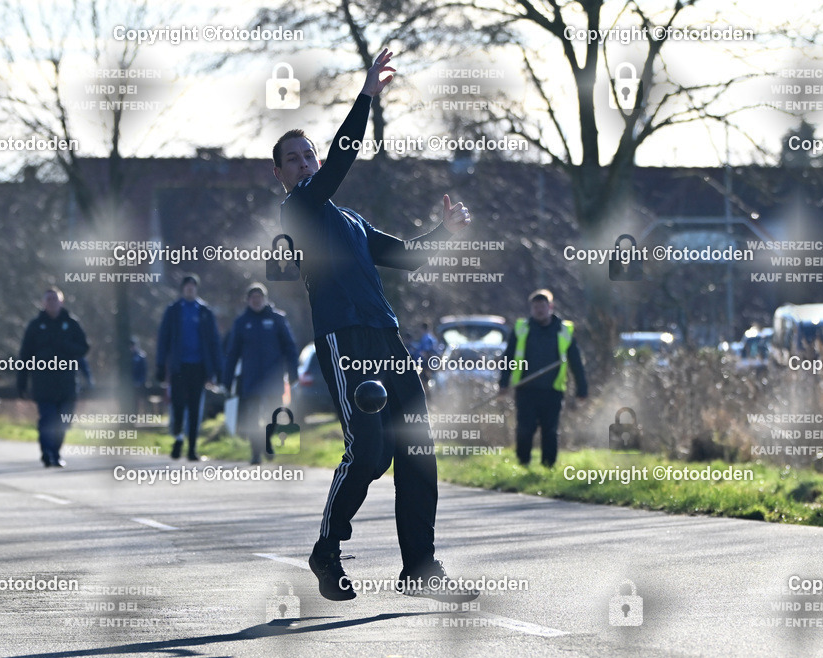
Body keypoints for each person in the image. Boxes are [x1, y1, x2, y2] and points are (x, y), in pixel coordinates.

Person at [273, 48, 476, 603]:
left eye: (307, 155)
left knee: (416, 449)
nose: (305, 163)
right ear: (281, 174)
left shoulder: (352, 221)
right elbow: (342, 161)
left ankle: (420, 568)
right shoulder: (300, 211)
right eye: (293, 159)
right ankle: (327, 550)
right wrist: (365, 97)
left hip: (386, 337)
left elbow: (407, 256)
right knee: (368, 456)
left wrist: (445, 232)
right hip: (344, 340)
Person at [498, 289, 588, 467]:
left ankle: (548, 465)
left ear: (551, 307)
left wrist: (582, 388)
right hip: (525, 389)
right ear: (531, 308)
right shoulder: (522, 329)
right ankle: (523, 462)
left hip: (552, 389)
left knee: (550, 430)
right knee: (525, 429)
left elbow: (575, 362)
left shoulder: (563, 330)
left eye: (542, 306)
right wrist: (503, 383)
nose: (539, 310)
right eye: (535, 307)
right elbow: (508, 357)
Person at [223, 283, 299, 465]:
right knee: (253, 416)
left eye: (259, 297)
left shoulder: (278, 319)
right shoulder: (241, 323)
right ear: (248, 300)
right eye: (253, 298)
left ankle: (266, 441)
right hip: (251, 378)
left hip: (273, 377)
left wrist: (293, 371)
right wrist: (226, 379)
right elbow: (232, 352)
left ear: (265, 299)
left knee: (274, 413)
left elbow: (290, 347)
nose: (256, 301)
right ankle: (256, 453)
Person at [16, 288, 90, 468]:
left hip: (67, 382)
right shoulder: (35, 326)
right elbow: (25, 355)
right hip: (43, 383)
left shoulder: (71, 324)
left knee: (64, 420)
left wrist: (66, 346)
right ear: (43, 303)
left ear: (61, 302)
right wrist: (22, 382)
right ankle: (47, 452)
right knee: (48, 419)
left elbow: (84, 348)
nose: (52, 303)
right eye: (49, 300)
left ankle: (56, 452)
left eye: (55, 300)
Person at [156, 275, 222, 461]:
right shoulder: (173, 311)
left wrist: (217, 369)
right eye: (187, 286)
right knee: (178, 406)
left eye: (193, 286)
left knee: (195, 408)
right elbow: (164, 339)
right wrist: (161, 365)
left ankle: (192, 448)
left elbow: (214, 341)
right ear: (182, 289)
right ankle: (178, 438)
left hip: (199, 366)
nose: (190, 289)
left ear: (196, 289)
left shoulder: (204, 311)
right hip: (179, 367)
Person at [130, 337, 148, 414]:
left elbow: (143, 371)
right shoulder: (127, 356)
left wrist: (139, 382)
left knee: (138, 400)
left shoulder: (141, 356)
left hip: (139, 383)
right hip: (130, 383)